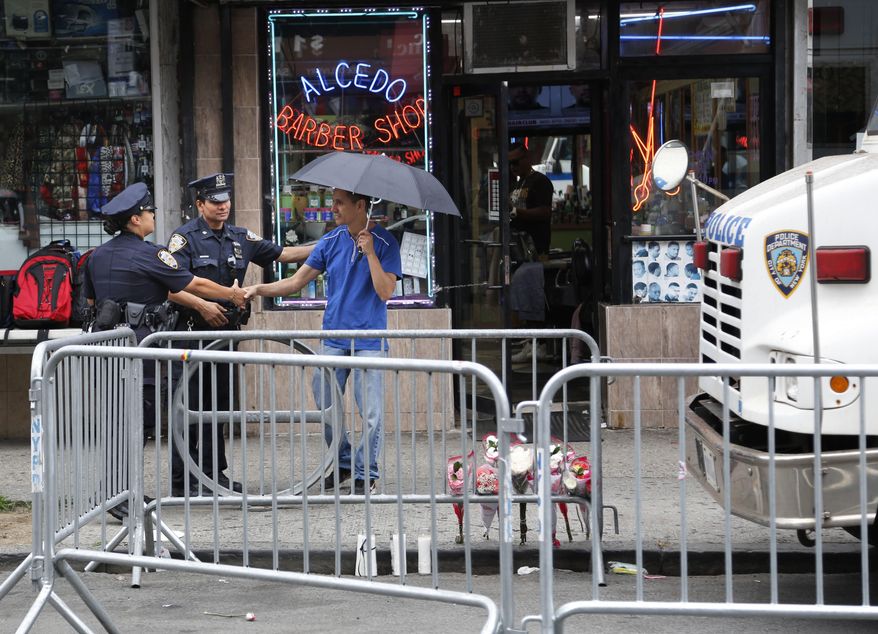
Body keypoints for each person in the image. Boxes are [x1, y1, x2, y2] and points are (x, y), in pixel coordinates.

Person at [83, 182, 247, 518]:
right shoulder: (150, 253)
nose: (152, 215)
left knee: (116, 422)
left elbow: (88, 302)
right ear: (134, 219)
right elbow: (194, 283)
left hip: (104, 350)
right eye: (148, 211)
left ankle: (118, 491)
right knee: (136, 424)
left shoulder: (96, 256)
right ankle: (120, 495)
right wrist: (230, 295)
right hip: (138, 352)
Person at [244, 188, 402, 494]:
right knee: (326, 405)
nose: (334, 209)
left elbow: (385, 292)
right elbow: (296, 281)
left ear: (361, 205)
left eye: (340, 203)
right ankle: (343, 464)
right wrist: (258, 290)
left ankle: (366, 472)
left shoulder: (385, 243)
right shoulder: (331, 241)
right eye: (333, 202)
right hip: (333, 336)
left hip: (369, 339)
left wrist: (369, 253)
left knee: (370, 413)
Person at [166, 173, 314, 497]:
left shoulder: (240, 237)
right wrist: (204, 306)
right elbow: (172, 288)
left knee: (216, 409)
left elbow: (283, 255)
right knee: (187, 409)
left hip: (227, 336)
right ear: (200, 204)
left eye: (226, 200)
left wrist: (329, 244)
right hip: (191, 336)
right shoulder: (184, 239)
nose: (223, 207)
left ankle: (212, 476)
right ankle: (183, 482)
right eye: (215, 201)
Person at [507, 141, 554, 362]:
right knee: (522, 291)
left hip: (535, 246)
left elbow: (545, 212)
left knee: (533, 292)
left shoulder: (540, 182)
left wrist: (518, 213)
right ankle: (531, 342)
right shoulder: (518, 183)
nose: (513, 167)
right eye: (509, 164)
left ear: (526, 158)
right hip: (518, 247)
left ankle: (540, 343)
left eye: (516, 162)